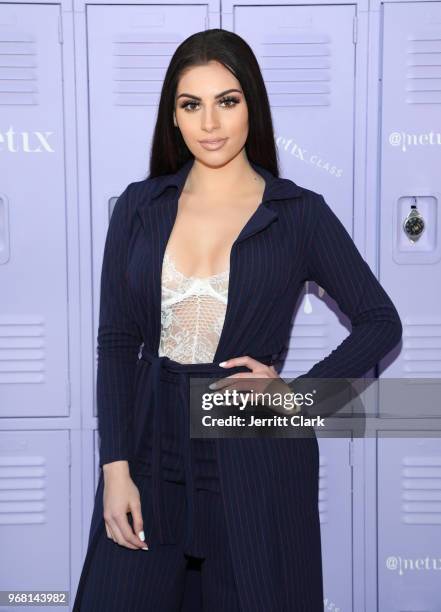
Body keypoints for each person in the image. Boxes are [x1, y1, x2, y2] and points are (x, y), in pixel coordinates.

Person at [73, 28, 402, 611]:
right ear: (172, 117)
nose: (210, 123)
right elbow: (118, 344)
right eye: (190, 104)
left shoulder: (298, 213)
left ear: (252, 104)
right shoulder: (138, 208)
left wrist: (295, 398)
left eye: (227, 100)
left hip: (253, 444)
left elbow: (381, 321)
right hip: (152, 442)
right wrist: (115, 468)